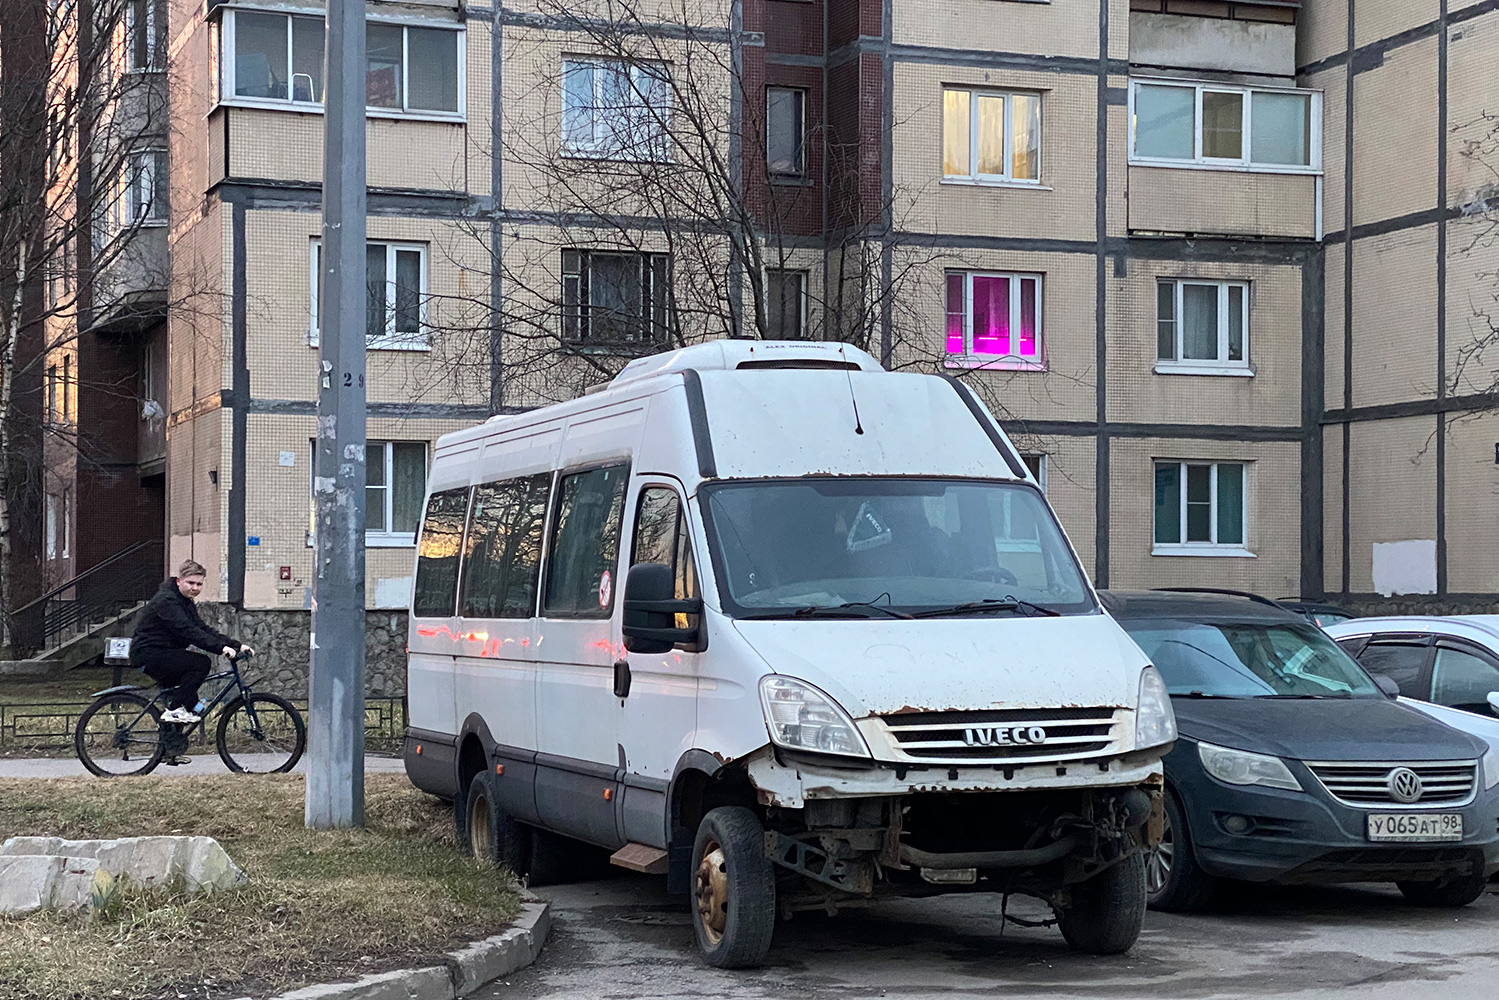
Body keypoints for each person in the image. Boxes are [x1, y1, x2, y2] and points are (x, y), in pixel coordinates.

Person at [130, 560, 253, 726]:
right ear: (179, 581)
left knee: (190, 705)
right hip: (149, 654)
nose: (195, 588)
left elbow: (201, 627)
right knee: (200, 663)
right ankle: (174, 709)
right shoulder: (166, 601)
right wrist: (221, 648)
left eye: (199, 584)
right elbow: (188, 630)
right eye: (191, 583)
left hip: (164, 652)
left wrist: (236, 645)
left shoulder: (184, 600)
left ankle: (171, 745)